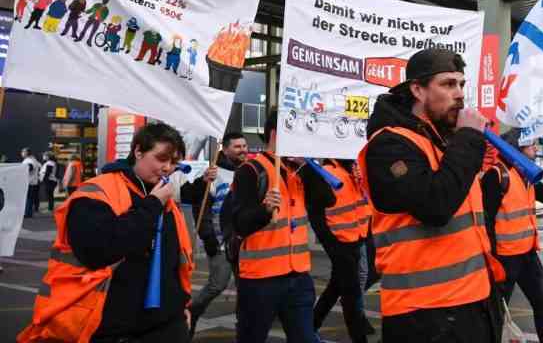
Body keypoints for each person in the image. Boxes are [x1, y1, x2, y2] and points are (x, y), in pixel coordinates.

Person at [358, 47, 504, 342]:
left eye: (461, 84)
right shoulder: (389, 144)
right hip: (425, 315)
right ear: (417, 89)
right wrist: (468, 140)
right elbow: (435, 206)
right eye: (448, 84)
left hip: (472, 301)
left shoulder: (440, 141)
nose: (460, 94)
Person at [17, 123, 195, 342]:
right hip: (108, 327)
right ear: (138, 151)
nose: (168, 168)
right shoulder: (96, 193)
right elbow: (99, 251)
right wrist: (152, 205)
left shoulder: (165, 201)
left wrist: (181, 306)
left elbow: (174, 262)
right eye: (161, 158)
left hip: (166, 325)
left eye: (174, 162)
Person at [232, 109, 336, 343]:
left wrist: (306, 166)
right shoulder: (251, 171)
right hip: (260, 279)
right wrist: (264, 211)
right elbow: (239, 224)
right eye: (295, 131)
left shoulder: (297, 171)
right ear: (275, 133)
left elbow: (327, 199)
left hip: (298, 277)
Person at [480, 129, 543, 343]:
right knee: (497, 313)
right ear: (516, 148)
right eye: (531, 144)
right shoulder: (496, 175)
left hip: (527, 255)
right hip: (505, 259)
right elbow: (485, 219)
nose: (536, 147)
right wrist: (492, 257)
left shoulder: (526, 173)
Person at [182, 131, 248, 338]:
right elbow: (199, 206)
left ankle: (244, 327)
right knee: (217, 284)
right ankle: (191, 314)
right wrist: (209, 238)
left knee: (245, 287)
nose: (243, 150)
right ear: (225, 149)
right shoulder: (213, 172)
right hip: (220, 242)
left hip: (244, 243)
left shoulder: (248, 171)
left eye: (244, 146)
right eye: (237, 147)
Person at [309, 158, 371, 343]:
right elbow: (316, 214)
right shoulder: (326, 172)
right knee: (350, 295)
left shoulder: (354, 170)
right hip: (340, 243)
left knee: (335, 288)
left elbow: (364, 202)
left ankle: (311, 325)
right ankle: (359, 338)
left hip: (357, 239)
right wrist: (331, 245)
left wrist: (363, 181)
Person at [21, 148, 41, 218]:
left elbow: (30, 168)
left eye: (23, 152)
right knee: (30, 198)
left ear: (26, 152)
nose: (21, 153)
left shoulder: (29, 160)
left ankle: (27, 213)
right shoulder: (33, 160)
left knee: (28, 199)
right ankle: (29, 213)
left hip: (29, 182)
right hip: (33, 182)